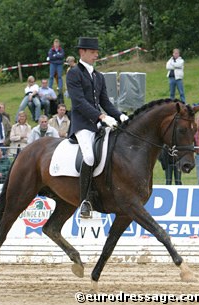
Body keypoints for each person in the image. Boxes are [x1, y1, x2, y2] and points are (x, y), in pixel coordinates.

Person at [66, 37, 128, 218]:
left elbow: (105, 102)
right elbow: (78, 102)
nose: (96, 55)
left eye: (96, 52)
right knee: (90, 157)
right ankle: (85, 200)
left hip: (98, 125)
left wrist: (120, 115)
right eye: (93, 52)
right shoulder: (73, 73)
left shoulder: (98, 76)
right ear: (82, 52)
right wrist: (100, 116)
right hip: (82, 125)